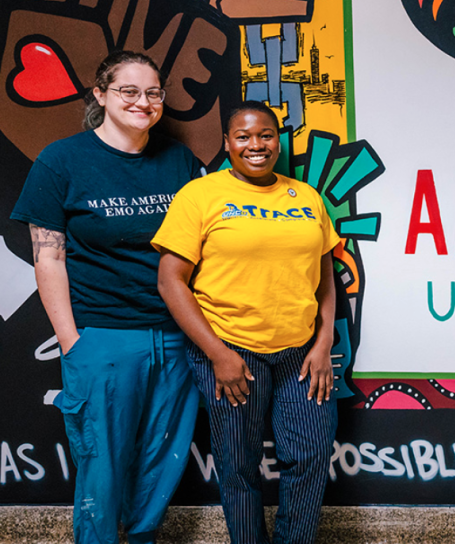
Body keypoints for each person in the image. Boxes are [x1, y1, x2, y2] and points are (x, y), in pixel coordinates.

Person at [10, 51, 202, 544]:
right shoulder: (61, 160)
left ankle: (142, 538)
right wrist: (71, 342)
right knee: (102, 466)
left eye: (153, 92)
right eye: (128, 91)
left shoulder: (179, 161)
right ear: (100, 94)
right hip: (103, 336)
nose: (143, 102)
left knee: (161, 461)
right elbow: (48, 258)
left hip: (175, 337)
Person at [153, 101, 340, 544]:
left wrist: (323, 342)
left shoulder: (306, 197)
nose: (256, 145)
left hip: (300, 353)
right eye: (243, 136)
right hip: (231, 350)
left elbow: (325, 276)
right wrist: (218, 355)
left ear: (278, 140)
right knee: (238, 465)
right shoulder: (200, 195)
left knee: (310, 456)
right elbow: (170, 281)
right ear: (227, 143)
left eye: (265, 135)